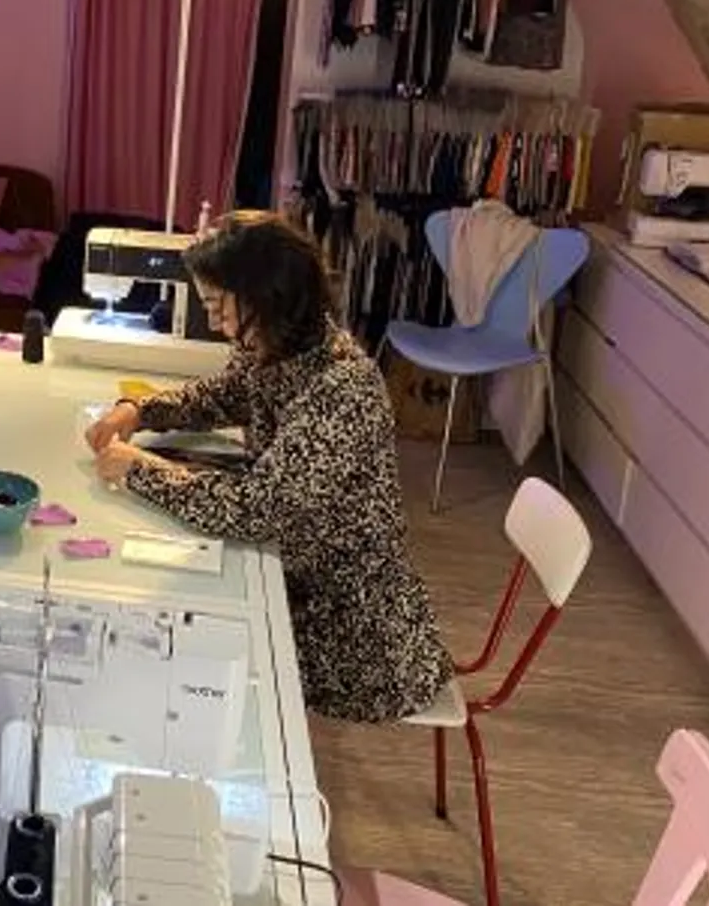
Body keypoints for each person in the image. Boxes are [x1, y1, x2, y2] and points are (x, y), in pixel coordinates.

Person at [85, 211, 452, 724]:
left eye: (219, 307)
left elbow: (258, 511)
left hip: (351, 631)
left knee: (178, 649)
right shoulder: (279, 347)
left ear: (266, 298)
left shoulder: (343, 389)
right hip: (297, 578)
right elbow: (226, 395)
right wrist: (140, 410)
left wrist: (139, 470)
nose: (217, 324)